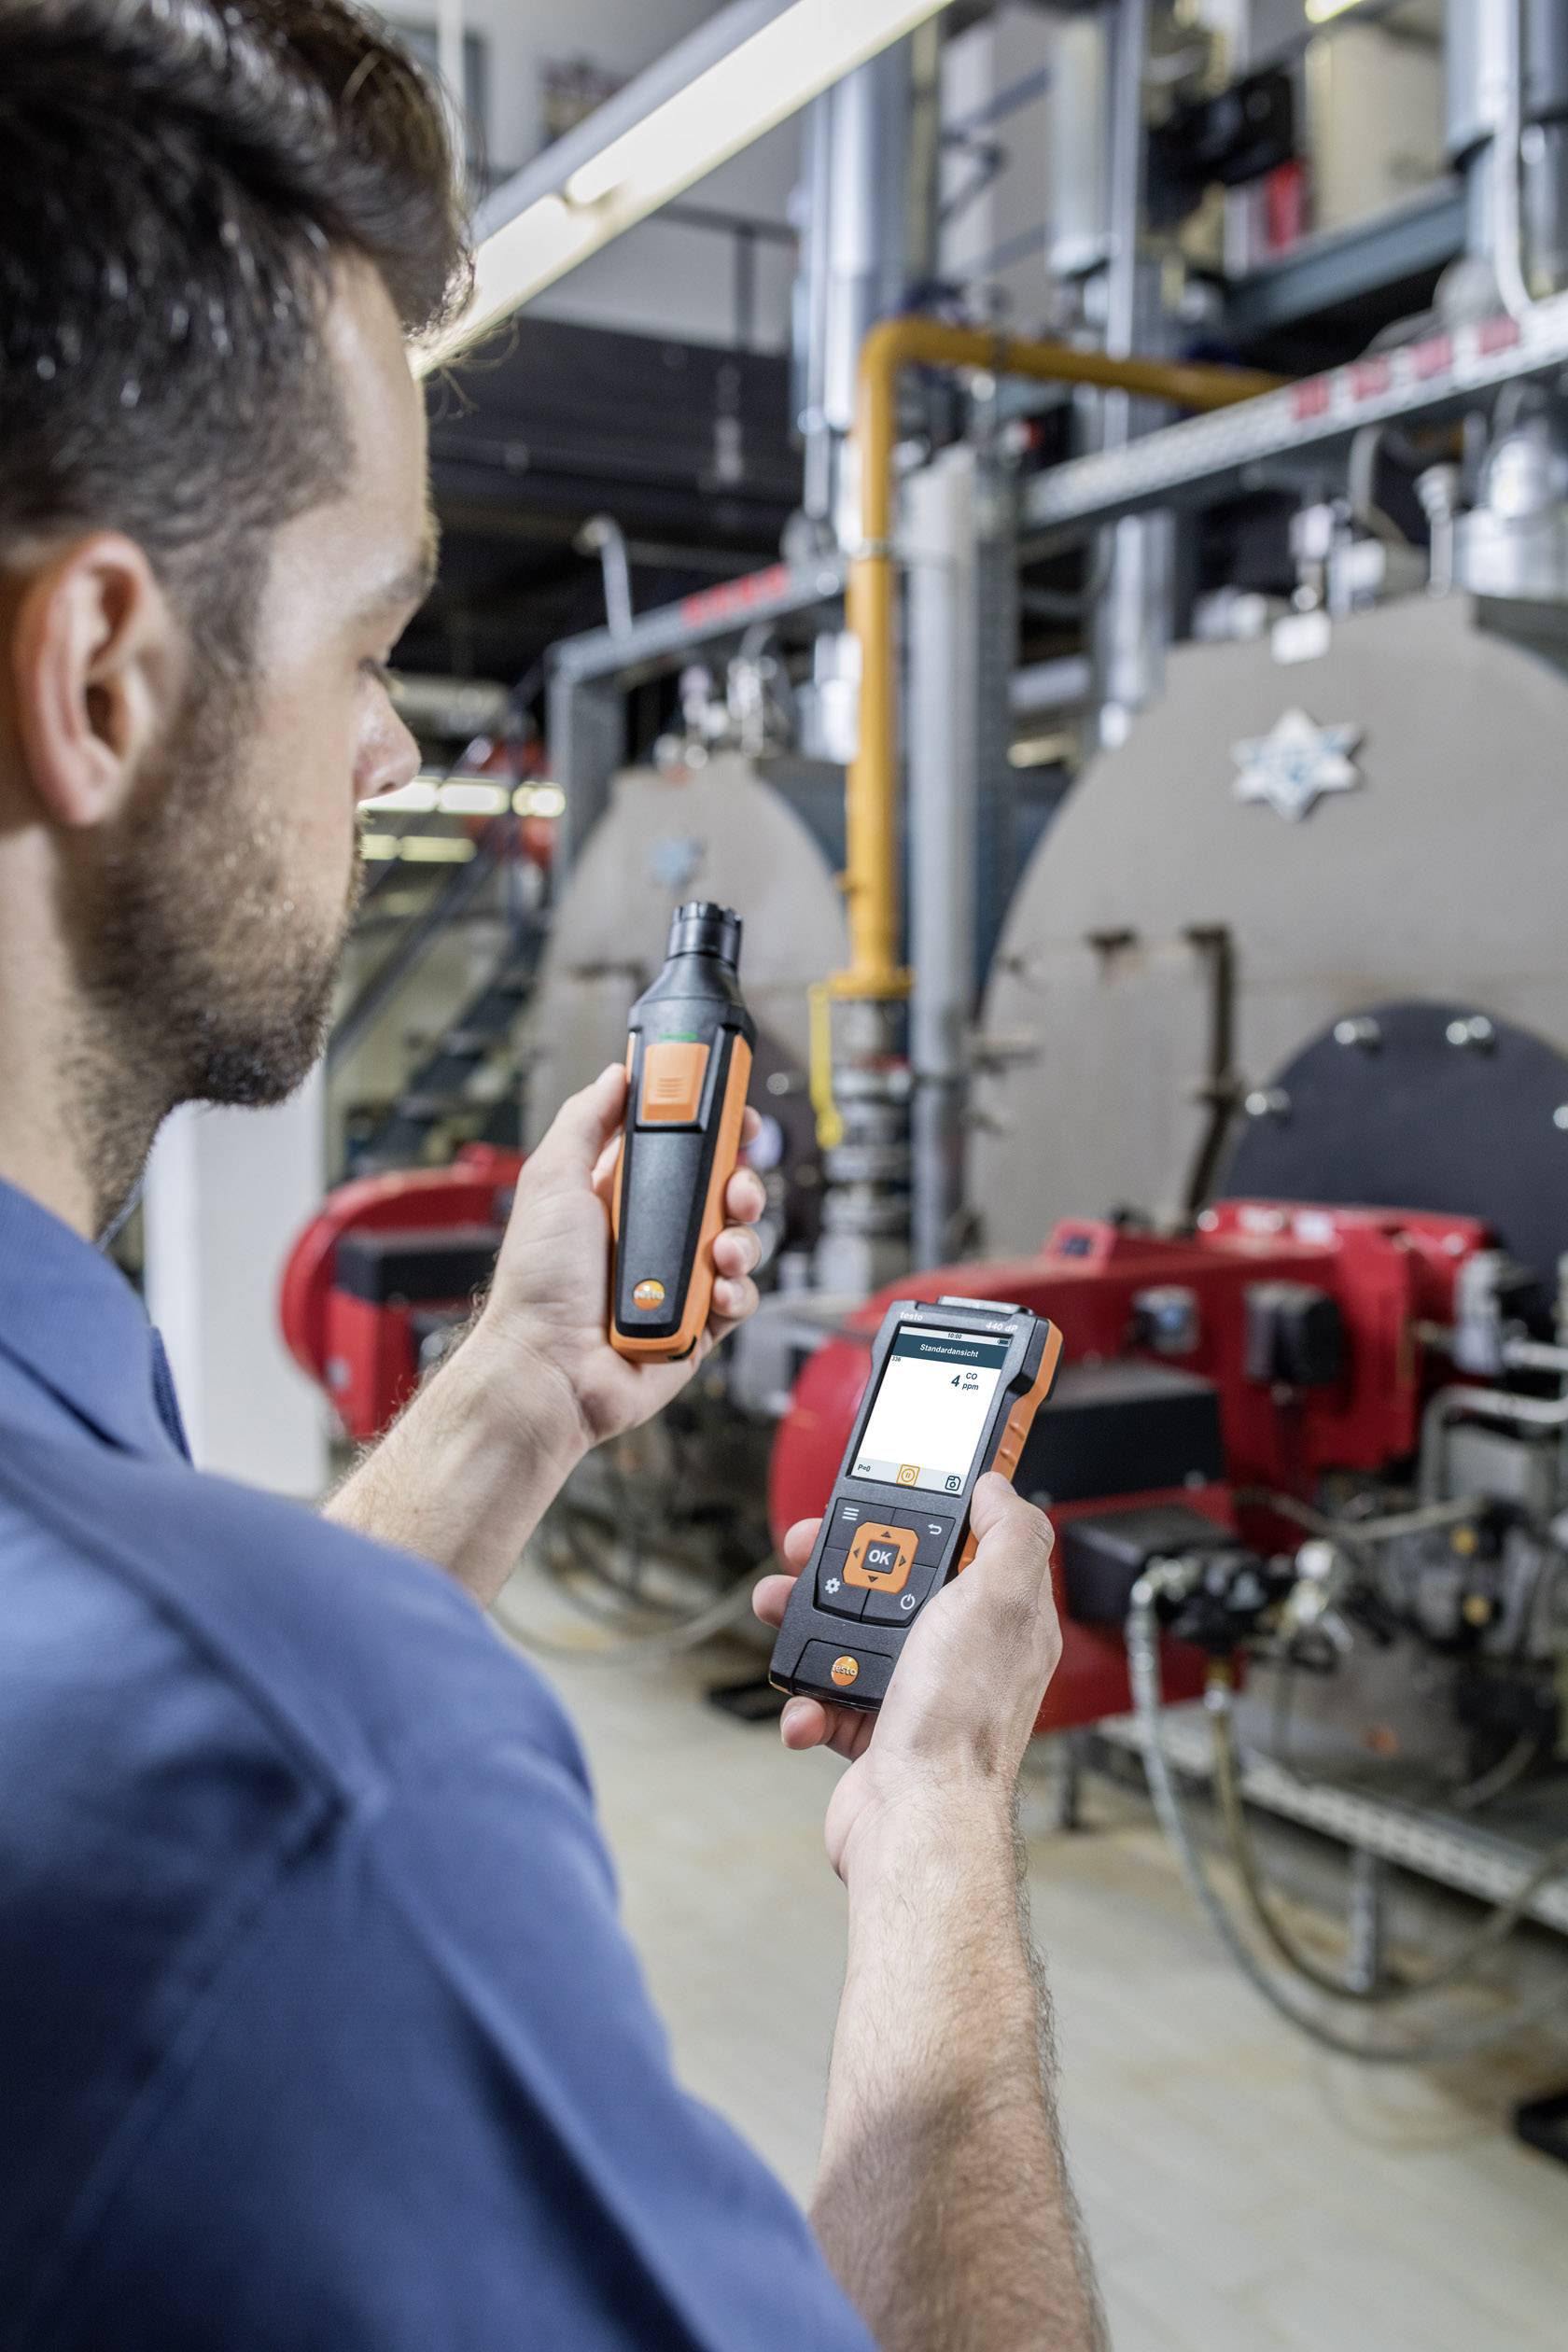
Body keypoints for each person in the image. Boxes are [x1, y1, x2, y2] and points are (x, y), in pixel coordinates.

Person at [0, 4, 1103, 2348]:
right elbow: (250, 1769)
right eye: (375, 642)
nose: (396, 748)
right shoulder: (328, 1798)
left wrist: (515, 1389)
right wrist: (935, 1846)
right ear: (101, 671)